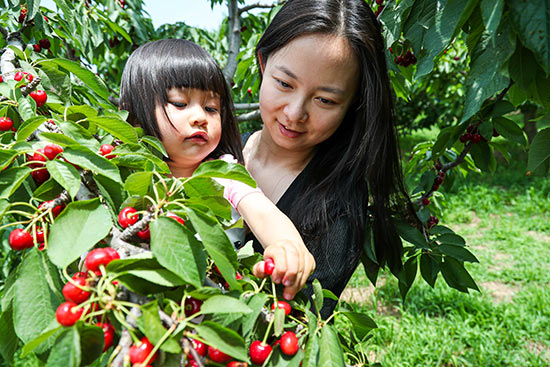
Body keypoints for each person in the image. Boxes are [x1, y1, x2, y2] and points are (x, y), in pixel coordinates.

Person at [243, 0, 416, 316]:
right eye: (284, 83)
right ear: (263, 64)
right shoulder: (215, 150)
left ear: (353, 103)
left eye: (325, 100)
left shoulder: (336, 211)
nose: (295, 113)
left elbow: (290, 328)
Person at [118, 39, 315, 300]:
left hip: (213, 316)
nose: (200, 117)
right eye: (180, 103)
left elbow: (263, 212)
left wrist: (287, 246)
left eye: (211, 108)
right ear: (135, 116)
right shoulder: (125, 172)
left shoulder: (222, 174)